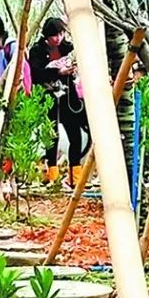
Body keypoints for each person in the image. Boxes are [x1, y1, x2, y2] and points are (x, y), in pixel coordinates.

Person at [28, 17, 90, 186]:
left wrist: (72, 70)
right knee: (51, 137)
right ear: (47, 35)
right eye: (54, 35)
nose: (58, 38)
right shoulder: (37, 51)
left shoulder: (68, 48)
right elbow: (36, 74)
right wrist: (58, 72)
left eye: (61, 34)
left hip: (68, 98)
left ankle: (75, 176)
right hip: (49, 98)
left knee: (75, 136)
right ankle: (51, 175)